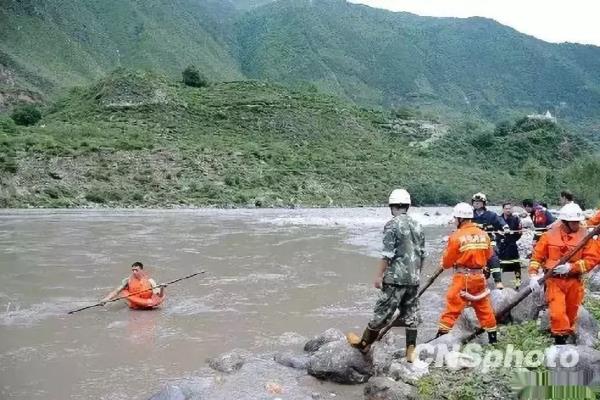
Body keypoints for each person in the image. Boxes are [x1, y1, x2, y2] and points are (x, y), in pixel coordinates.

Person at [347, 189, 425, 361]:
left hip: (395, 278)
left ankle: (364, 345)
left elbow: (387, 255)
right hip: (413, 278)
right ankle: (410, 352)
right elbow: (422, 254)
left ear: (392, 206)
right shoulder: (418, 225)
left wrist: (378, 276)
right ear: (407, 205)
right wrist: (417, 274)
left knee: (381, 313)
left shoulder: (392, 225)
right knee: (411, 315)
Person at [528, 203, 600, 345]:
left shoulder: (585, 236)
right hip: (554, 280)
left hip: (574, 281)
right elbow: (537, 257)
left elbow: (592, 260)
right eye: (573, 222)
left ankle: (567, 336)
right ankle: (559, 342)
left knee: (572, 312)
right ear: (565, 222)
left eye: (578, 222)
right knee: (557, 312)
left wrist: (571, 267)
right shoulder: (549, 235)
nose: (576, 225)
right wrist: (533, 275)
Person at [436, 202, 497, 344]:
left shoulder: (456, 236)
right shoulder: (483, 234)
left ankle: (439, 340)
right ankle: (493, 341)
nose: (454, 221)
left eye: (456, 218)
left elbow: (446, 263)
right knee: (484, 308)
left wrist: (449, 262)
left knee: (452, 307)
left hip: (463, 278)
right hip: (479, 277)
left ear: (460, 219)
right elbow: (489, 255)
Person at [471, 192, 507, 289]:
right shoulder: (469, 215)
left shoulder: (491, 215)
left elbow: (501, 222)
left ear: (484, 203)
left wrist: (505, 227)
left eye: (479, 202)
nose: (476, 203)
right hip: (473, 241)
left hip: (488, 240)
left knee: (493, 256)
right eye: (475, 202)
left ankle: (498, 281)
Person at [497, 202, 523, 289]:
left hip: (512, 244)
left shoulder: (515, 219)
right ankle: (499, 283)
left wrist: (513, 236)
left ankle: (518, 282)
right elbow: (495, 231)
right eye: (506, 208)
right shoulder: (499, 219)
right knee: (500, 265)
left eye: (509, 208)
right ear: (503, 209)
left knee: (516, 264)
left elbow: (519, 233)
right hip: (502, 245)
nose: (508, 210)